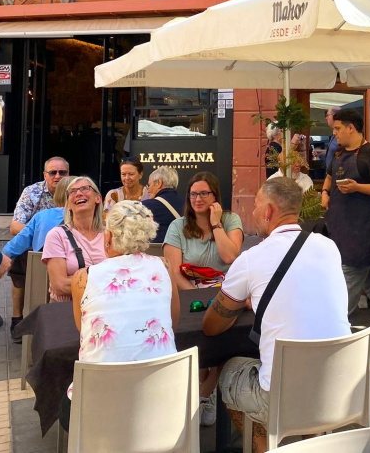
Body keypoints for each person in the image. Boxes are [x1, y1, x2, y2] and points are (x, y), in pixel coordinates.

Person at [204, 178, 350, 453]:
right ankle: (312, 440)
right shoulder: (329, 247)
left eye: (256, 205)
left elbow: (211, 326)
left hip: (282, 398)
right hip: (341, 389)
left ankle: (265, 449)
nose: (254, 213)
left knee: (228, 368)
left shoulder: (251, 259)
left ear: (269, 211)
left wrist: (242, 303)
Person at [58, 200, 179, 432]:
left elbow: (85, 333)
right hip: (161, 402)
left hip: (97, 407)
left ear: (108, 237)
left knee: (67, 408)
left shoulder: (84, 278)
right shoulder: (164, 267)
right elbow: (171, 323)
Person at [163, 171, 243, 426]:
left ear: (215, 196)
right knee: (197, 344)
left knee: (223, 341)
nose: (197, 199)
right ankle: (203, 394)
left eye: (204, 194)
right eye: (194, 194)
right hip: (189, 295)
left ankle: (204, 396)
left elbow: (231, 257)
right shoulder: (178, 226)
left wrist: (217, 224)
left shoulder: (231, 220)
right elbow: (173, 272)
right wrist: (197, 296)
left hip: (225, 295)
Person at [321, 109, 370, 343]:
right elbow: (329, 176)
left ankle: (332, 331)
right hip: (341, 223)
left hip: (364, 226)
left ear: (351, 128)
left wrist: (358, 188)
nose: (334, 133)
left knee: (352, 272)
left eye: (337, 129)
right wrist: (325, 192)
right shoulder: (337, 153)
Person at [8, 156, 69, 337]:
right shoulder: (32, 192)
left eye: (62, 172)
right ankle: (17, 318)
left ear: (68, 174)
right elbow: (14, 227)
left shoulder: (75, 190)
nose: (57, 176)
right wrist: (44, 231)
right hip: (36, 246)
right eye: (53, 172)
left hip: (69, 246)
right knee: (19, 263)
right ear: (45, 174)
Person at [41, 176, 107, 303]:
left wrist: (76, 280)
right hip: (68, 311)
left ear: (98, 198)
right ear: (68, 205)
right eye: (72, 191)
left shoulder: (110, 234)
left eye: (84, 188)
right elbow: (60, 286)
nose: (78, 193)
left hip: (104, 308)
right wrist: (106, 280)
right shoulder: (57, 235)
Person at [3, 176, 72, 264]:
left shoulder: (41, 216)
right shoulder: (88, 215)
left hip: (42, 266)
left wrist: (1, 260)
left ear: (57, 194)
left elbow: (17, 244)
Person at [141, 166, 185, 244]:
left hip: (157, 254)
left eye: (149, 185)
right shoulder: (187, 204)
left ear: (159, 183)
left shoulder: (145, 207)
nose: (148, 190)